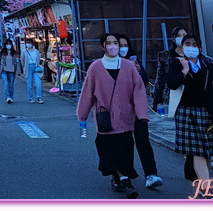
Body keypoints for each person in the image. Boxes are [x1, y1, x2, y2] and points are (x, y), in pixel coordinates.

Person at [76, 33, 150, 198]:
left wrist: (141, 113)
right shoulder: (95, 67)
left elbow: (138, 90)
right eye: (108, 43)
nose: (113, 46)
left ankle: (120, 177)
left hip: (126, 117)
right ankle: (124, 179)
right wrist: (82, 115)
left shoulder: (128, 66)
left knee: (125, 150)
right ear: (103, 47)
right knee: (108, 149)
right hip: (105, 118)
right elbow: (88, 93)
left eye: (115, 42)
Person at [166, 34, 213, 197]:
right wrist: (185, 71)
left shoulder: (209, 67)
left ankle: (203, 181)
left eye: (194, 44)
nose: (190, 47)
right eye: (187, 44)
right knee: (197, 151)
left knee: (205, 150)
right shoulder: (176, 64)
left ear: (200, 49)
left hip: (205, 113)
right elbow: (172, 84)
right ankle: (206, 187)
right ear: (181, 48)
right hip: (186, 113)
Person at [116, 34, 164, 190]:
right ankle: (121, 176)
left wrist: (138, 72)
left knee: (143, 141)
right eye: (119, 45)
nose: (123, 48)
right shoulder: (108, 63)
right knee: (123, 143)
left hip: (137, 109)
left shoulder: (134, 62)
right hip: (119, 110)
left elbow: (144, 83)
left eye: (125, 45)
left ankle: (151, 174)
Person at [153, 26, 188, 113]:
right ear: (173, 39)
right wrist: (157, 99)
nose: (182, 38)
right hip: (171, 96)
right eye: (179, 36)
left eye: (184, 35)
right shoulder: (166, 56)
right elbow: (160, 78)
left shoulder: (193, 54)